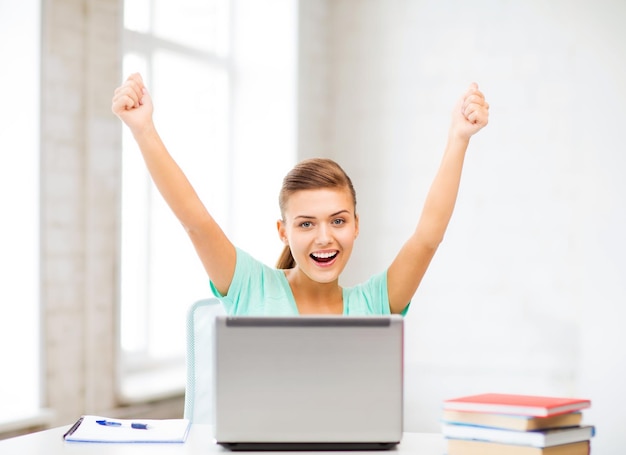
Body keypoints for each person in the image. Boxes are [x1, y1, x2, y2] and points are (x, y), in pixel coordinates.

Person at [112, 74, 489, 316]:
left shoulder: (375, 305)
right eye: (306, 223)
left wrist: (458, 138)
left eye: (338, 221)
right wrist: (144, 130)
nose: (324, 237)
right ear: (283, 231)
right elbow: (195, 221)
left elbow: (427, 238)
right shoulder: (249, 288)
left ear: (356, 226)